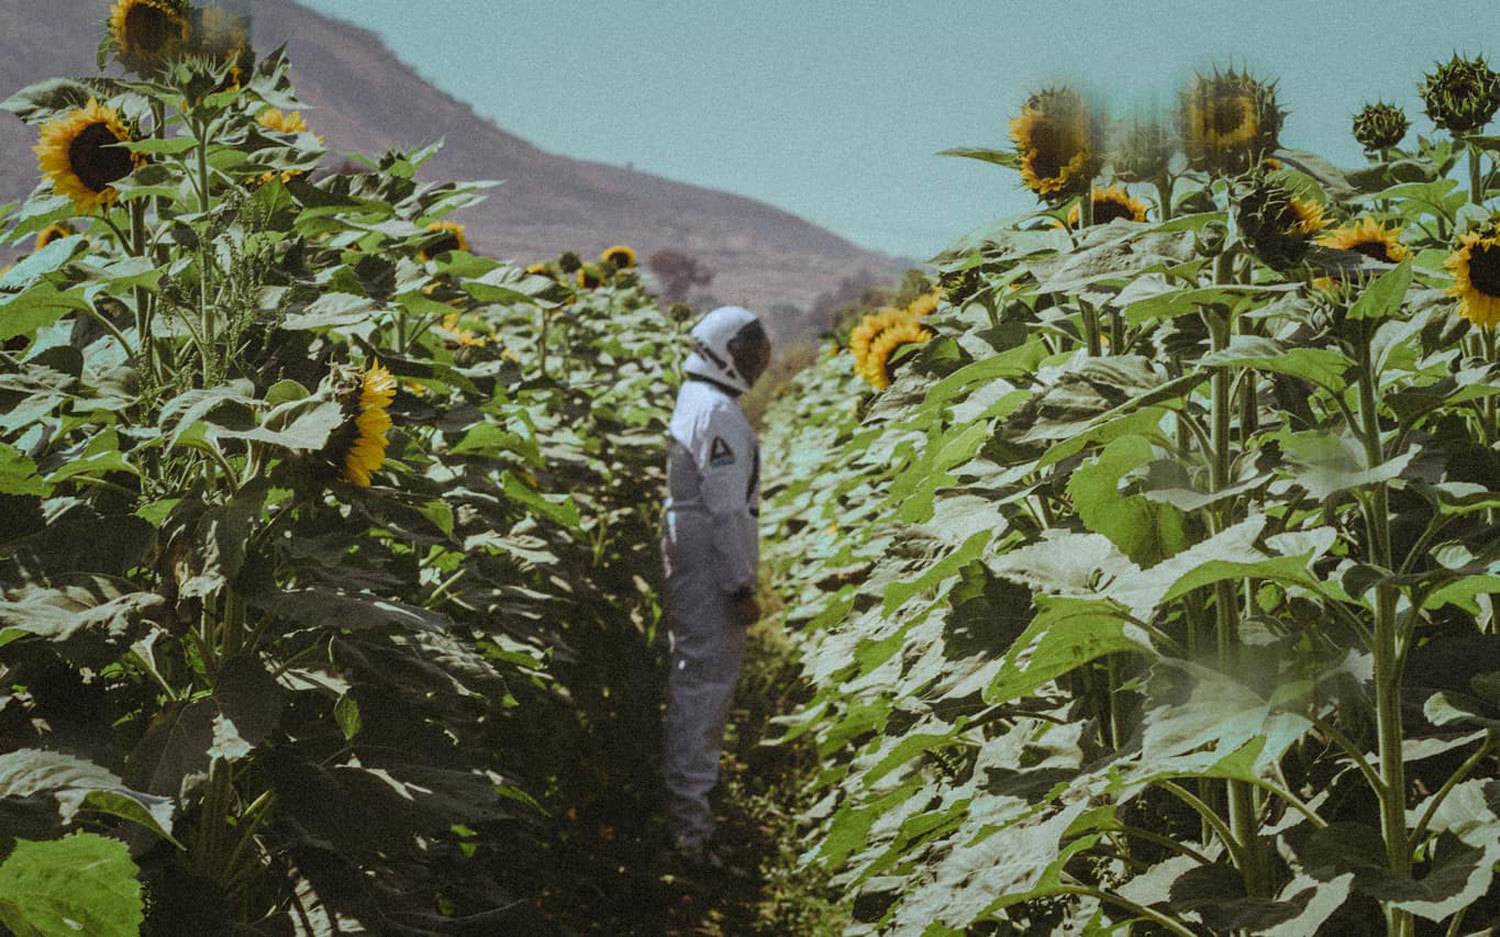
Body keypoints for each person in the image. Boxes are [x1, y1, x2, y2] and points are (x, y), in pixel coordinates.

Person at [660, 305, 772, 866]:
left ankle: (689, 815)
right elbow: (728, 510)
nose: (757, 362)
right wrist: (741, 585)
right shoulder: (718, 411)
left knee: (694, 678)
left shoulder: (697, 400)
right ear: (724, 353)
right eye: (749, 351)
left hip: (691, 551)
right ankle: (690, 834)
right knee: (704, 687)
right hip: (709, 561)